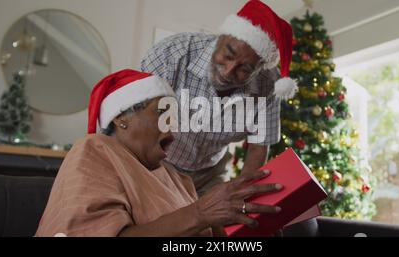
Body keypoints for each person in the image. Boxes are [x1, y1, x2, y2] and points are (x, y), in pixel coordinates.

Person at [35, 69, 282, 237]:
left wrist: (246, 227)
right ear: (122, 118)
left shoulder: (179, 179)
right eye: (162, 113)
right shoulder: (95, 149)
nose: (173, 126)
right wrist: (201, 213)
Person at [141, 0, 297, 196]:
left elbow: (259, 146)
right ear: (220, 37)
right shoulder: (173, 53)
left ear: (259, 69)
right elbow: (136, 118)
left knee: (217, 223)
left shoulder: (269, 85)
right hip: (157, 162)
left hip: (211, 172)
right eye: (228, 54)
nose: (229, 71)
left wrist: (242, 191)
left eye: (245, 68)